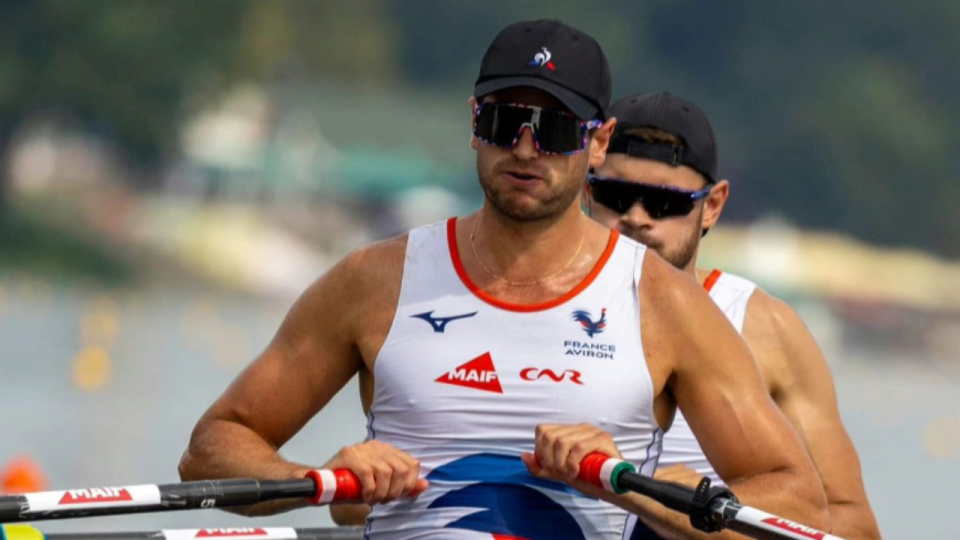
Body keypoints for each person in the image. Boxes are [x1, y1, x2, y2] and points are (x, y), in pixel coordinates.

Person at [180, 20, 829, 540]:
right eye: (503, 121)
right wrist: (319, 479)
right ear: (473, 123)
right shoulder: (374, 281)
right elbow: (214, 448)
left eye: (551, 130)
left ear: (597, 143)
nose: (523, 147)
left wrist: (639, 489)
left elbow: (797, 502)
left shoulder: (663, 302)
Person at [583, 92, 880, 539]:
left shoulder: (766, 329)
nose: (638, 217)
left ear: (713, 206)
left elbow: (854, 530)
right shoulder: (531, 299)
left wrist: (695, 505)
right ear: (587, 190)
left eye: (665, 203)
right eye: (617, 195)